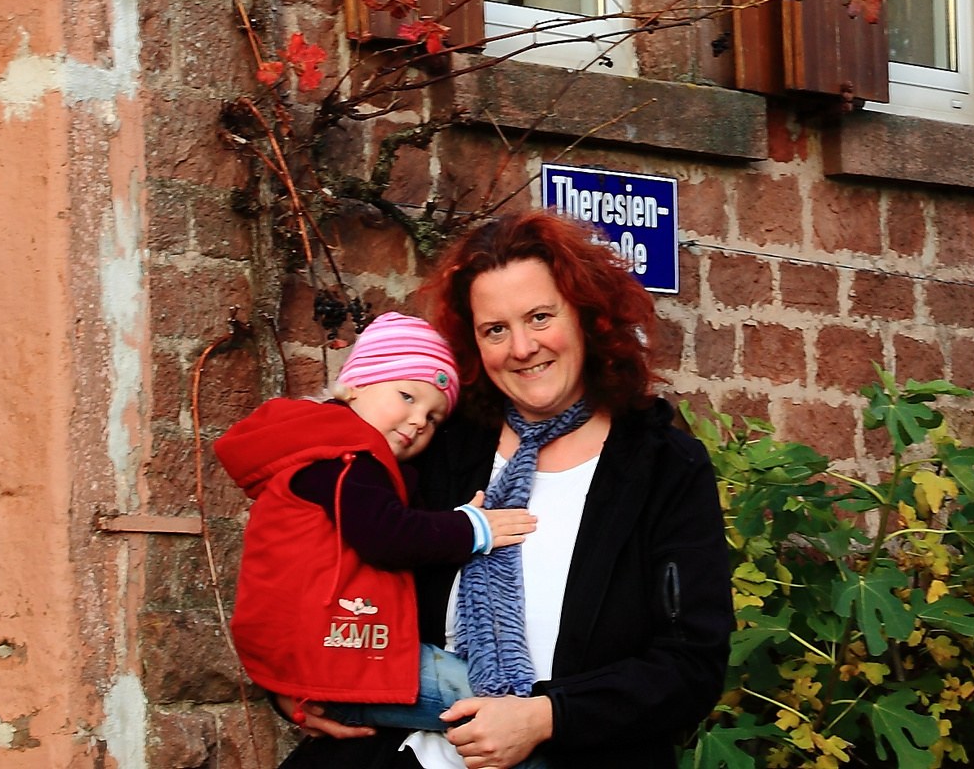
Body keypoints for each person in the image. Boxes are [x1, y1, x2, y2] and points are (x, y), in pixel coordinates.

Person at [284, 210, 733, 769]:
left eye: (540, 317)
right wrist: (293, 681)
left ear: (587, 318)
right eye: (495, 329)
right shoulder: (439, 448)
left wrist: (547, 716)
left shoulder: (663, 466)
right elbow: (320, 568)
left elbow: (691, 665)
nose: (521, 348)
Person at [215, 312, 542, 748]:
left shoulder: (334, 452)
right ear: (354, 385)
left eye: (433, 418)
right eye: (407, 396)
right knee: (503, 709)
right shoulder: (345, 458)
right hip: (337, 662)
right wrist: (470, 528)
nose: (417, 421)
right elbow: (387, 535)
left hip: (313, 665)